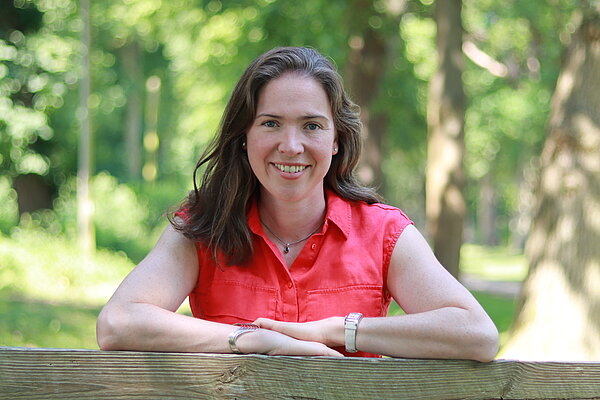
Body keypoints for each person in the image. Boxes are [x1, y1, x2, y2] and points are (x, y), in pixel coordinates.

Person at [96, 46, 499, 361]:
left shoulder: (382, 233)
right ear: (244, 136)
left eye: (311, 126)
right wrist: (254, 340)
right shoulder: (204, 225)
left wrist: (339, 331)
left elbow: (477, 335)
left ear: (336, 138)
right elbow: (117, 323)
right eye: (270, 123)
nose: (291, 147)